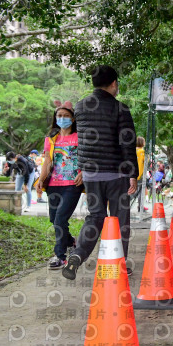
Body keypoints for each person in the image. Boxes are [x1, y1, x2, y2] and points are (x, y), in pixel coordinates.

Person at [62, 65, 139, 281]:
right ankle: (118, 265)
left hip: (90, 174)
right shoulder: (120, 109)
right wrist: (133, 173)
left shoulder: (80, 106)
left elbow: (79, 139)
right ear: (114, 83)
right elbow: (127, 144)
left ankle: (77, 255)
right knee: (119, 219)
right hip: (116, 174)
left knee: (95, 217)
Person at [36, 100, 84, 269]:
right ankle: (71, 241)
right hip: (54, 185)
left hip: (73, 184)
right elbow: (47, 161)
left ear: (73, 119)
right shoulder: (51, 139)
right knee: (54, 219)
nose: (62, 118)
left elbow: (87, 157)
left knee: (60, 218)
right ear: (55, 118)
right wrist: (41, 179)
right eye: (59, 116)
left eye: (66, 116)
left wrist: (83, 172)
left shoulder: (80, 136)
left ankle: (60, 256)